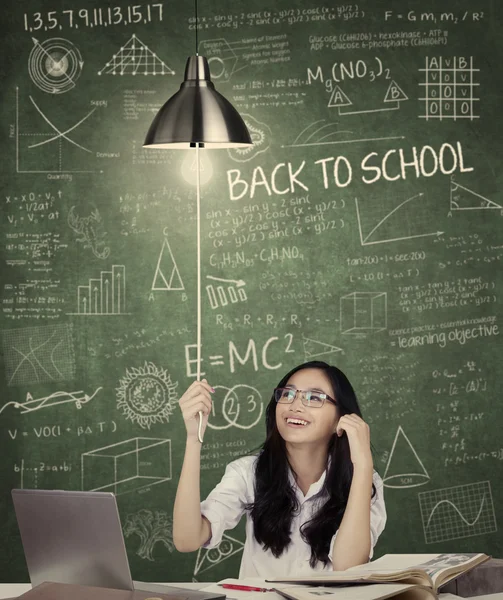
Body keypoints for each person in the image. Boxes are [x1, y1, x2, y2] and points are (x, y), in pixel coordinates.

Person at [173, 360, 386, 578]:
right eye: (287, 394)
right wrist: (193, 438)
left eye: (314, 397)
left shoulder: (364, 481)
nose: (295, 405)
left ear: (340, 420)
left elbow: (348, 567)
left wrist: (362, 465)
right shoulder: (248, 473)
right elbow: (187, 540)